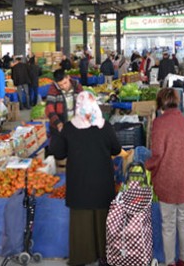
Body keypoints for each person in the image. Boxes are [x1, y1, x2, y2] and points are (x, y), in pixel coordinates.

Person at [48, 92, 121, 266]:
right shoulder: (105, 126)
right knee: (103, 220)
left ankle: (82, 257)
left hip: (79, 184)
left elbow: (58, 152)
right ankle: (105, 257)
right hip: (102, 182)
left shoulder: (69, 127)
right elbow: (116, 149)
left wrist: (58, 132)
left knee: (81, 223)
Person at [145, 88, 184, 266]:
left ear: (160, 104)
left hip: (168, 177)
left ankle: (169, 263)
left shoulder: (160, 123)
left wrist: (147, 165)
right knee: (183, 220)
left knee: (168, 223)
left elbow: (157, 154)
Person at [45, 69, 83, 137]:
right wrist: (58, 123)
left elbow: (84, 102)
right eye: (61, 85)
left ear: (68, 77)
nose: (64, 87)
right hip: (59, 125)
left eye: (65, 83)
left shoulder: (77, 86)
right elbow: (49, 107)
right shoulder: (53, 89)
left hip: (76, 124)